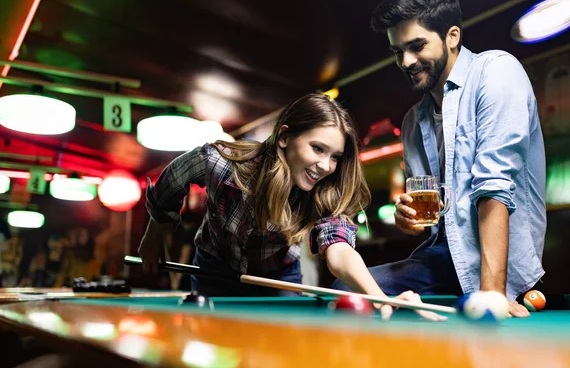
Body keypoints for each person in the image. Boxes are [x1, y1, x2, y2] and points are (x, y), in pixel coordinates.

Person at [333, 0, 546, 318]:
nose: (405, 61)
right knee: (345, 290)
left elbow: (493, 187)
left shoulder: (496, 71)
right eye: (397, 51)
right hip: (442, 259)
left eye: (417, 46)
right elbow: (433, 212)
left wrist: (491, 294)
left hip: (495, 267)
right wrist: (409, 220)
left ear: (452, 36)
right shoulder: (412, 122)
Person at [138, 93, 444, 321]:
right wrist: (153, 237)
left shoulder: (326, 192)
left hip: (280, 277)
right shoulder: (220, 163)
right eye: (317, 148)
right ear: (284, 137)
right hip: (213, 270)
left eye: (335, 156)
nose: (326, 165)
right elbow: (168, 186)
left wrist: (380, 300)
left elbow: (338, 251)